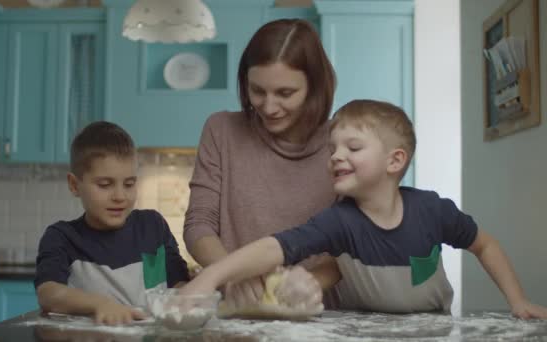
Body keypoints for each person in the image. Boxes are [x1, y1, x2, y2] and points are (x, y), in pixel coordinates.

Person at [180, 99, 547, 319]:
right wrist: (209, 278)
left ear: (395, 160)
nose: (337, 155)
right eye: (333, 149)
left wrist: (517, 300)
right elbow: (272, 247)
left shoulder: (433, 210)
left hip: (434, 329)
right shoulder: (338, 221)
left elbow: (484, 244)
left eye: (353, 148)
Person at [183, 18, 340, 309]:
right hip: (237, 307)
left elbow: (355, 247)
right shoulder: (221, 130)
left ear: (315, 86)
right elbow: (198, 225)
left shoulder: (342, 142)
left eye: (285, 93)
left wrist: (308, 284)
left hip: (318, 315)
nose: (268, 107)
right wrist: (233, 274)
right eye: (257, 90)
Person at [35, 121, 189, 325]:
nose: (120, 196)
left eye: (129, 184)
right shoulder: (62, 237)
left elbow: (179, 285)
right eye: (105, 185)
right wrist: (100, 304)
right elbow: (48, 293)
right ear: (74, 185)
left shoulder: (153, 226)